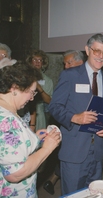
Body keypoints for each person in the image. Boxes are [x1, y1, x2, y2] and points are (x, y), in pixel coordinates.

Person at [48, 33, 103, 195]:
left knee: (94, 194)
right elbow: (54, 107)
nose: (100, 56)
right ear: (87, 50)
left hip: (97, 152)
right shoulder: (69, 75)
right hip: (74, 151)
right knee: (73, 194)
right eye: (97, 51)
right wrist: (74, 117)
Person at [0, 61, 61, 198]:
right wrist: (47, 148)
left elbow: (12, 146)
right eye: (31, 92)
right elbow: (14, 174)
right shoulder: (7, 120)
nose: (32, 98)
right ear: (15, 88)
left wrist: (35, 139)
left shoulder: (8, 109)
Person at [43, 49, 85, 195]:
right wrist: (73, 117)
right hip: (69, 130)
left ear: (80, 62)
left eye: (69, 62)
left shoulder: (91, 79)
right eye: (64, 64)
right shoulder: (66, 77)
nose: (66, 66)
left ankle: (52, 179)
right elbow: (55, 105)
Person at [26, 49, 54, 131]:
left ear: (43, 63)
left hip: (39, 113)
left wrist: (39, 88)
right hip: (24, 111)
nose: (37, 62)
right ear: (30, 61)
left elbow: (49, 100)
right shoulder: (24, 76)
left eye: (40, 60)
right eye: (34, 59)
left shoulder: (47, 80)